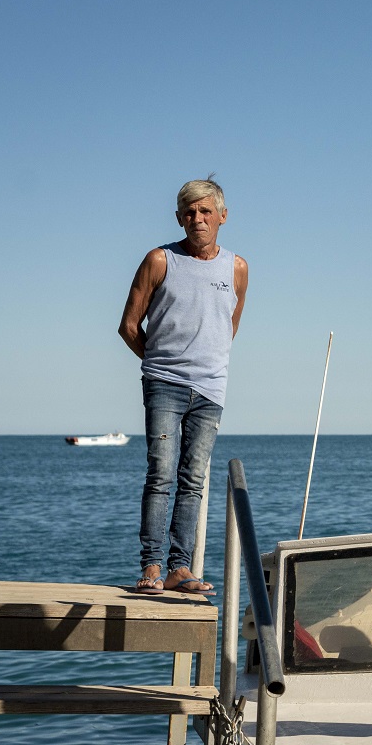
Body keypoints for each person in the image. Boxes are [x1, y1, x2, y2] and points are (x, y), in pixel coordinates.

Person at [118, 176, 248, 595]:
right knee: (161, 474)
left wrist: (205, 365)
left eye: (205, 211)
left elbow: (228, 328)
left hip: (211, 392)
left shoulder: (237, 268)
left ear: (222, 216)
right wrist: (160, 366)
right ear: (178, 217)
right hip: (165, 385)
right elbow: (128, 325)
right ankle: (152, 568)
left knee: (193, 480)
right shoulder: (160, 260)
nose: (198, 219)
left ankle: (180, 568)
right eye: (189, 212)